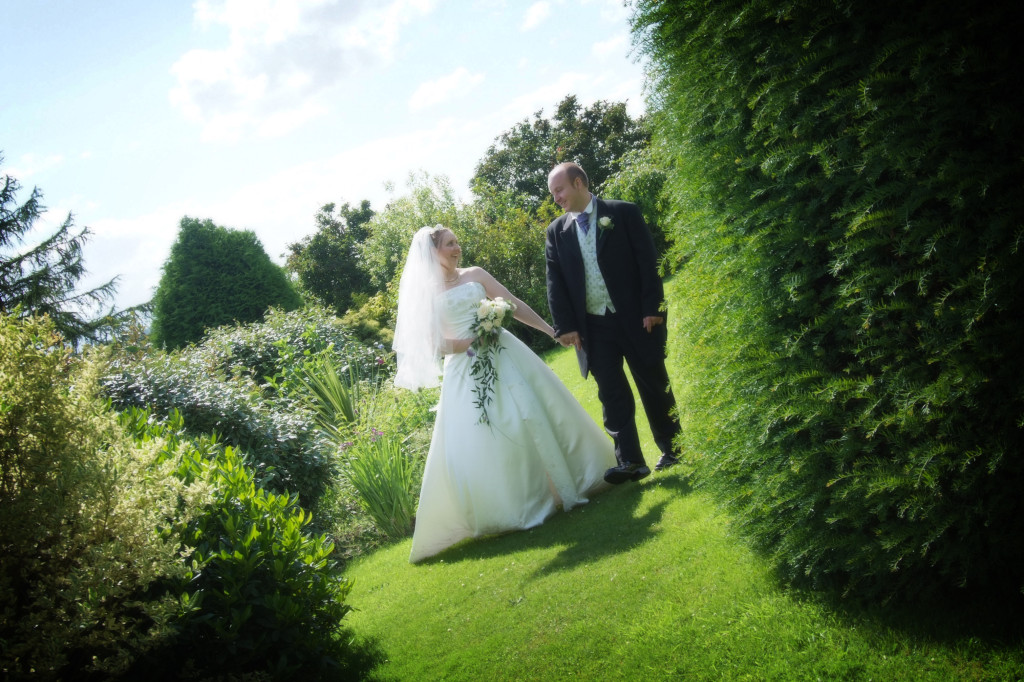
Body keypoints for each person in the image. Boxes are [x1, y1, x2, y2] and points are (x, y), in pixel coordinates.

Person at [394, 225, 615, 563]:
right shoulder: (426, 293)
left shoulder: (476, 274)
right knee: (491, 431)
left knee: (535, 413)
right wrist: (470, 341)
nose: (457, 247)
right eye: (450, 243)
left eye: (457, 240)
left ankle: (565, 483)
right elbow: (432, 343)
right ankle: (517, 503)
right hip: (466, 366)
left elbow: (513, 304)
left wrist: (551, 330)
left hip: (506, 353)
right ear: (433, 251)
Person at [545, 162, 682, 484]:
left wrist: (653, 308)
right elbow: (556, 282)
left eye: (559, 190)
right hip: (593, 327)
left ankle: (675, 449)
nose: (556, 199)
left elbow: (648, 263)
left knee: (653, 384)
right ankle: (631, 462)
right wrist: (565, 326)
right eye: (553, 193)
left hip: (636, 318)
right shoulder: (556, 232)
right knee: (611, 393)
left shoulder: (623, 213)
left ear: (579, 183)